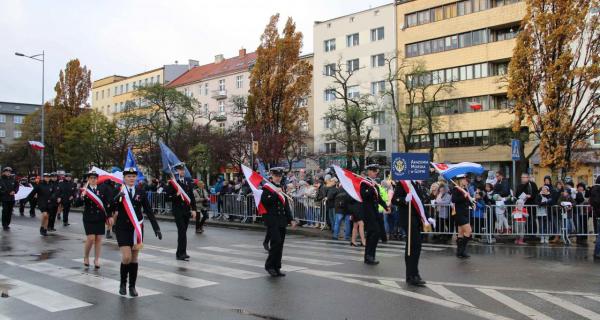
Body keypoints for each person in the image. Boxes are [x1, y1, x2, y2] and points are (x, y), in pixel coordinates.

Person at [111, 167, 162, 297]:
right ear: (124, 178)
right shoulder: (119, 190)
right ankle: (122, 283)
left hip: (137, 228)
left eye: (133, 176)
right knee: (126, 257)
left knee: (134, 258)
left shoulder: (141, 191)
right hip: (122, 227)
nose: (131, 178)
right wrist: (117, 197)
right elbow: (110, 206)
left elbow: (148, 210)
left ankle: (132, 286)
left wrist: (156, 227)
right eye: (129, 176)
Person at [261, 167, 294, 277]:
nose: (278, 178)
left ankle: (277, 267)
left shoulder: (281, 188)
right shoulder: (267, 188)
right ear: (272, 176)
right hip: (272, 220)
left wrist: (291, 219)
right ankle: (269, 266)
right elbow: (265, 201)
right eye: (276, 176)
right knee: (275, 243)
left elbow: (285, 205)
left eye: (280, 176)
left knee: (280, 245)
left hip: (281, 220)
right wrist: (275, 193)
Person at [74, 171, 109, 269]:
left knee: (98, 239)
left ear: (97, 179)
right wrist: (81, 198)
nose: (93, 180)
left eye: (95, 178)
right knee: (91, 238)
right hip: (89, 217)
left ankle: (96, 259)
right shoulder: (84, 190)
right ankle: (86, 256)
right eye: (91, 178)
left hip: (100, 217)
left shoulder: (101, 189)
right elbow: (76, 204)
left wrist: (108, 216)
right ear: (88, 179)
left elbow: (106, 204)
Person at [165, 162, 197, 261]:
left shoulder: (188, 181)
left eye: (183, 170)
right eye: (180, 170)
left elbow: (191, 197)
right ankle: (180, 254)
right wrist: (177, 195)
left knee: (183, 232)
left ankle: (181, 252)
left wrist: (194, 209)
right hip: (178, 210)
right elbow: (167, 198)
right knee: (182, 231)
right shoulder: (173, 183)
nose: (182, 171)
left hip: (186, 210)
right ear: (176, 171)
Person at [362, 164, 389, 265]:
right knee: (375, 232)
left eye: (376, 172)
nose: (376, 173)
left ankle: (369, 256)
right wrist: (371, 187)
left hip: (375, 211)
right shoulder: (364, 183)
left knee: (372, 234)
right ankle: (369, 256)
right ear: (369, 172)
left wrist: (386, 207)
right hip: (368, 212)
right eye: (374, 171)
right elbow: (364, 195)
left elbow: (378, 198)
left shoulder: (374, 183)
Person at [452, 174, 473, 259]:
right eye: (464, 179)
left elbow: (466, 202)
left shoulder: (464, 189)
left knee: (461, 233)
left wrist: (472, 203)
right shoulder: (456, 189)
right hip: (459, 213)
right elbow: (454, 200)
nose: (466, 181)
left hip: (464, 212)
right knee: (469, 231)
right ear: (460, 180)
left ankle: (459, 252)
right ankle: (462, 250)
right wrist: (464, 197)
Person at [588, 176, 600, 259]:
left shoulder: (594, 189)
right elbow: (595, 202)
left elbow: (592, 202)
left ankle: (597, 252)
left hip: (597, 213)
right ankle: (597, 252)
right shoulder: (596, 189)